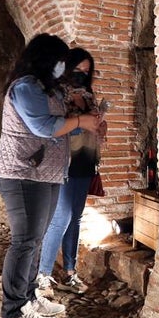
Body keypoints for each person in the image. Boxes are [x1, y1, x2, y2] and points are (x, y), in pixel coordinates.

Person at [0, 34, 86, 318]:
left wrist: (80, 118)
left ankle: (28, 298)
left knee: (36, 239)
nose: (63, 67)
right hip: (22, 173)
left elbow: (59, 124)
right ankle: (12, 313)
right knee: (25, 241)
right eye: (61, 60)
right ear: (47, 59)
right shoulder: (25, 86)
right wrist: (81, 122)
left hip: (45, 173)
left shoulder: (46, 88)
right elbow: (42, 127)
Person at [37, 47, 106, 294]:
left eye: (86, 72)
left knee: (76, 218)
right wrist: (81, 125)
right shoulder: (57, 95)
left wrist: (100, 127)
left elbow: (93, 126)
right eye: (77, 70)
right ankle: (43, 275)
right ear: (67, 69)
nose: (81, 75)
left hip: (85, 160)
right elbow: (52, 130)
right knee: (61, 218)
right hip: (64, 162)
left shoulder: (88, 96)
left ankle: (69, 273)